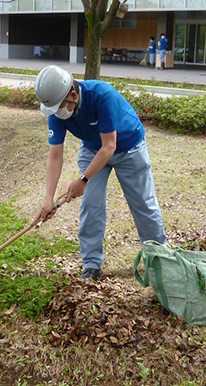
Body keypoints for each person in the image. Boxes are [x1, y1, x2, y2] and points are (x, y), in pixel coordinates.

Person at [33, 65, 167, 280]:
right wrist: (48, 200)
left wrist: (83, 180)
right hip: (93, 149)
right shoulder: (56, 112)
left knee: (143, 205)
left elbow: (109, 146)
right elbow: (55, 156)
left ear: (73, 95)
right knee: (91, 205)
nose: (58, 113)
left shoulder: (102, 95)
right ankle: (91, 264)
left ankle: (161, 258)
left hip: (129, 147)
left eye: (60, 107)